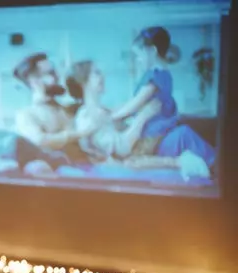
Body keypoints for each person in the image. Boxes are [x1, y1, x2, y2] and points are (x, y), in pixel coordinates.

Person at [66, 60, 211, 179]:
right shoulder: (87, 117)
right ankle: (224, 172)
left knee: (181, 129)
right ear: (83, 82)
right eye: (96, 73)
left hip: (140, 148)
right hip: (133, 157)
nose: (102, 76)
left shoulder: (100, 110)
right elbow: (122, 149)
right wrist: (144, 116)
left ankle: (220, 169)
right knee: (183, 135)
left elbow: (122, 112)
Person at [111, 26, 215, 167]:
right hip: (155, 133)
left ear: (152, 51)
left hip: (154, 136)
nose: (138, 60)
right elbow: (130, 104)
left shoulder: (157, 75)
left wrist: (110, 117)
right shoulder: (158, 75)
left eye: (139, 54)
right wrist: (111, 111)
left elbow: (135, 104)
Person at [13, 53, 90, 153]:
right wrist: (79, 134)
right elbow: (40, 140)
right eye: (50, 73)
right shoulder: (26, 115)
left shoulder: (67, 109)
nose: (57, 77)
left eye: (55, 72)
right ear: (33, 81)